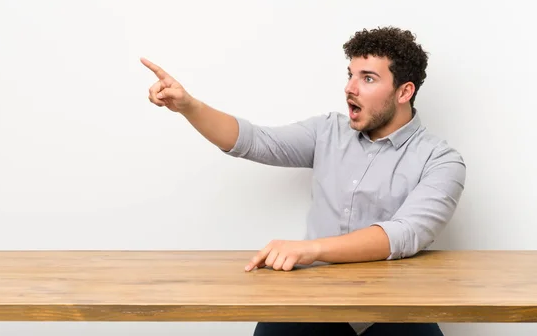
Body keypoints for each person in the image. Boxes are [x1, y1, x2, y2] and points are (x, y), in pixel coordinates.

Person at [142, 26, 466, 336]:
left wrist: (311, 249)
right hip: (313, 301)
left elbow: (405, 233)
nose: (350, 88)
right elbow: (255, 141)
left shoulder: (441, 160)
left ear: (404, 91)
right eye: (350, 75)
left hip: (395, 312)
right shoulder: (327, 131)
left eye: (367, 78)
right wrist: (189, 106)